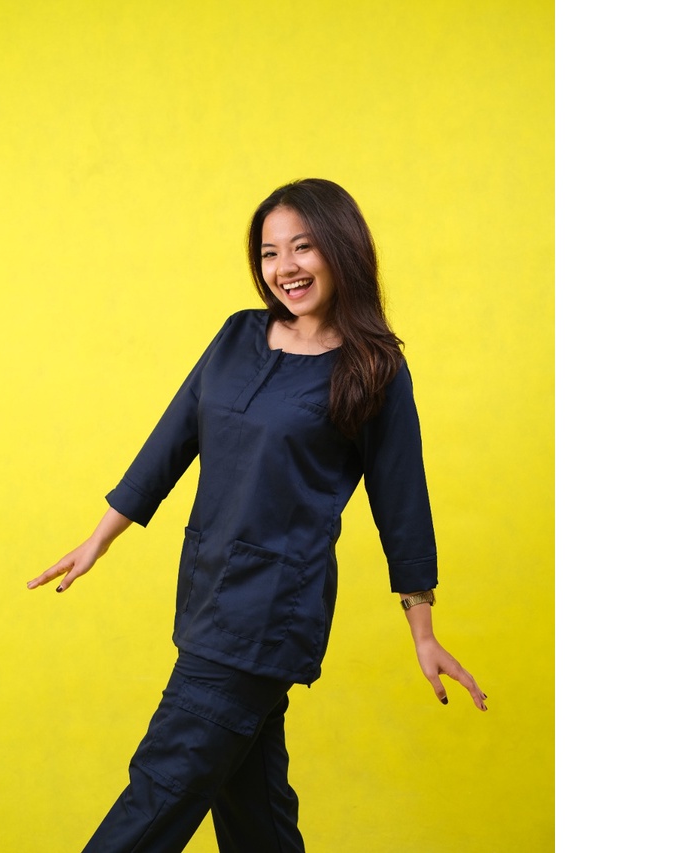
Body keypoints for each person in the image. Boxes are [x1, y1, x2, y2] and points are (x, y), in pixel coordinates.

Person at [27, 178, 487, 852]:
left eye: (303, 247)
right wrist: (100, 538)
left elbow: (402, 503)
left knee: (160, 786)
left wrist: (423, 628)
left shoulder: (374, 369)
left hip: (273, 610)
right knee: (254, 813)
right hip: (205, 592)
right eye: (270, 253)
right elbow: (173, 437)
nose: (284, 267)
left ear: (341, 249)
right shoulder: (238, 334)